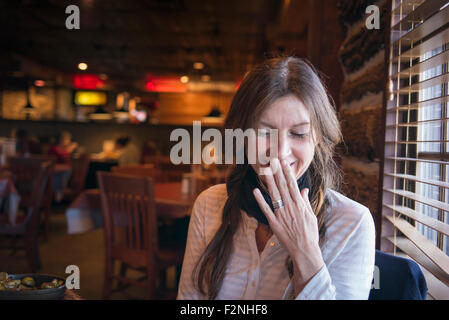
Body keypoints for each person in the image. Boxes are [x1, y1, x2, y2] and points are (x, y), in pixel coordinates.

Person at [177, 57, 375, 300]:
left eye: (299, 134)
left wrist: (306, 255)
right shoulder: (209, 205)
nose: (280, 153)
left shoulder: (352, 223)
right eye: (264, 132)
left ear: (318, 138)